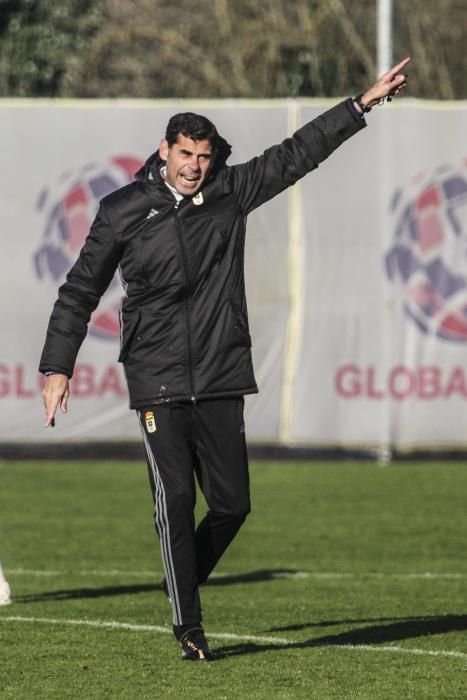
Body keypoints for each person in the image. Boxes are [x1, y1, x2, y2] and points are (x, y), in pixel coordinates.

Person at [40, 57, 410, 661]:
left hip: (218, 371)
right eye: (185, 154)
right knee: (176, 500)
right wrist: (57, 367)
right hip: (156, 377)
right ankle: (189, 626)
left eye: (204, 156)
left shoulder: (230, 192)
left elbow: (297, 153)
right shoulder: (122, 211)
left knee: (233, 504)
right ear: (164, 150)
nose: (194, 166)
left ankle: (179, 580)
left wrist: (360, 104)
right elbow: (79, 291)